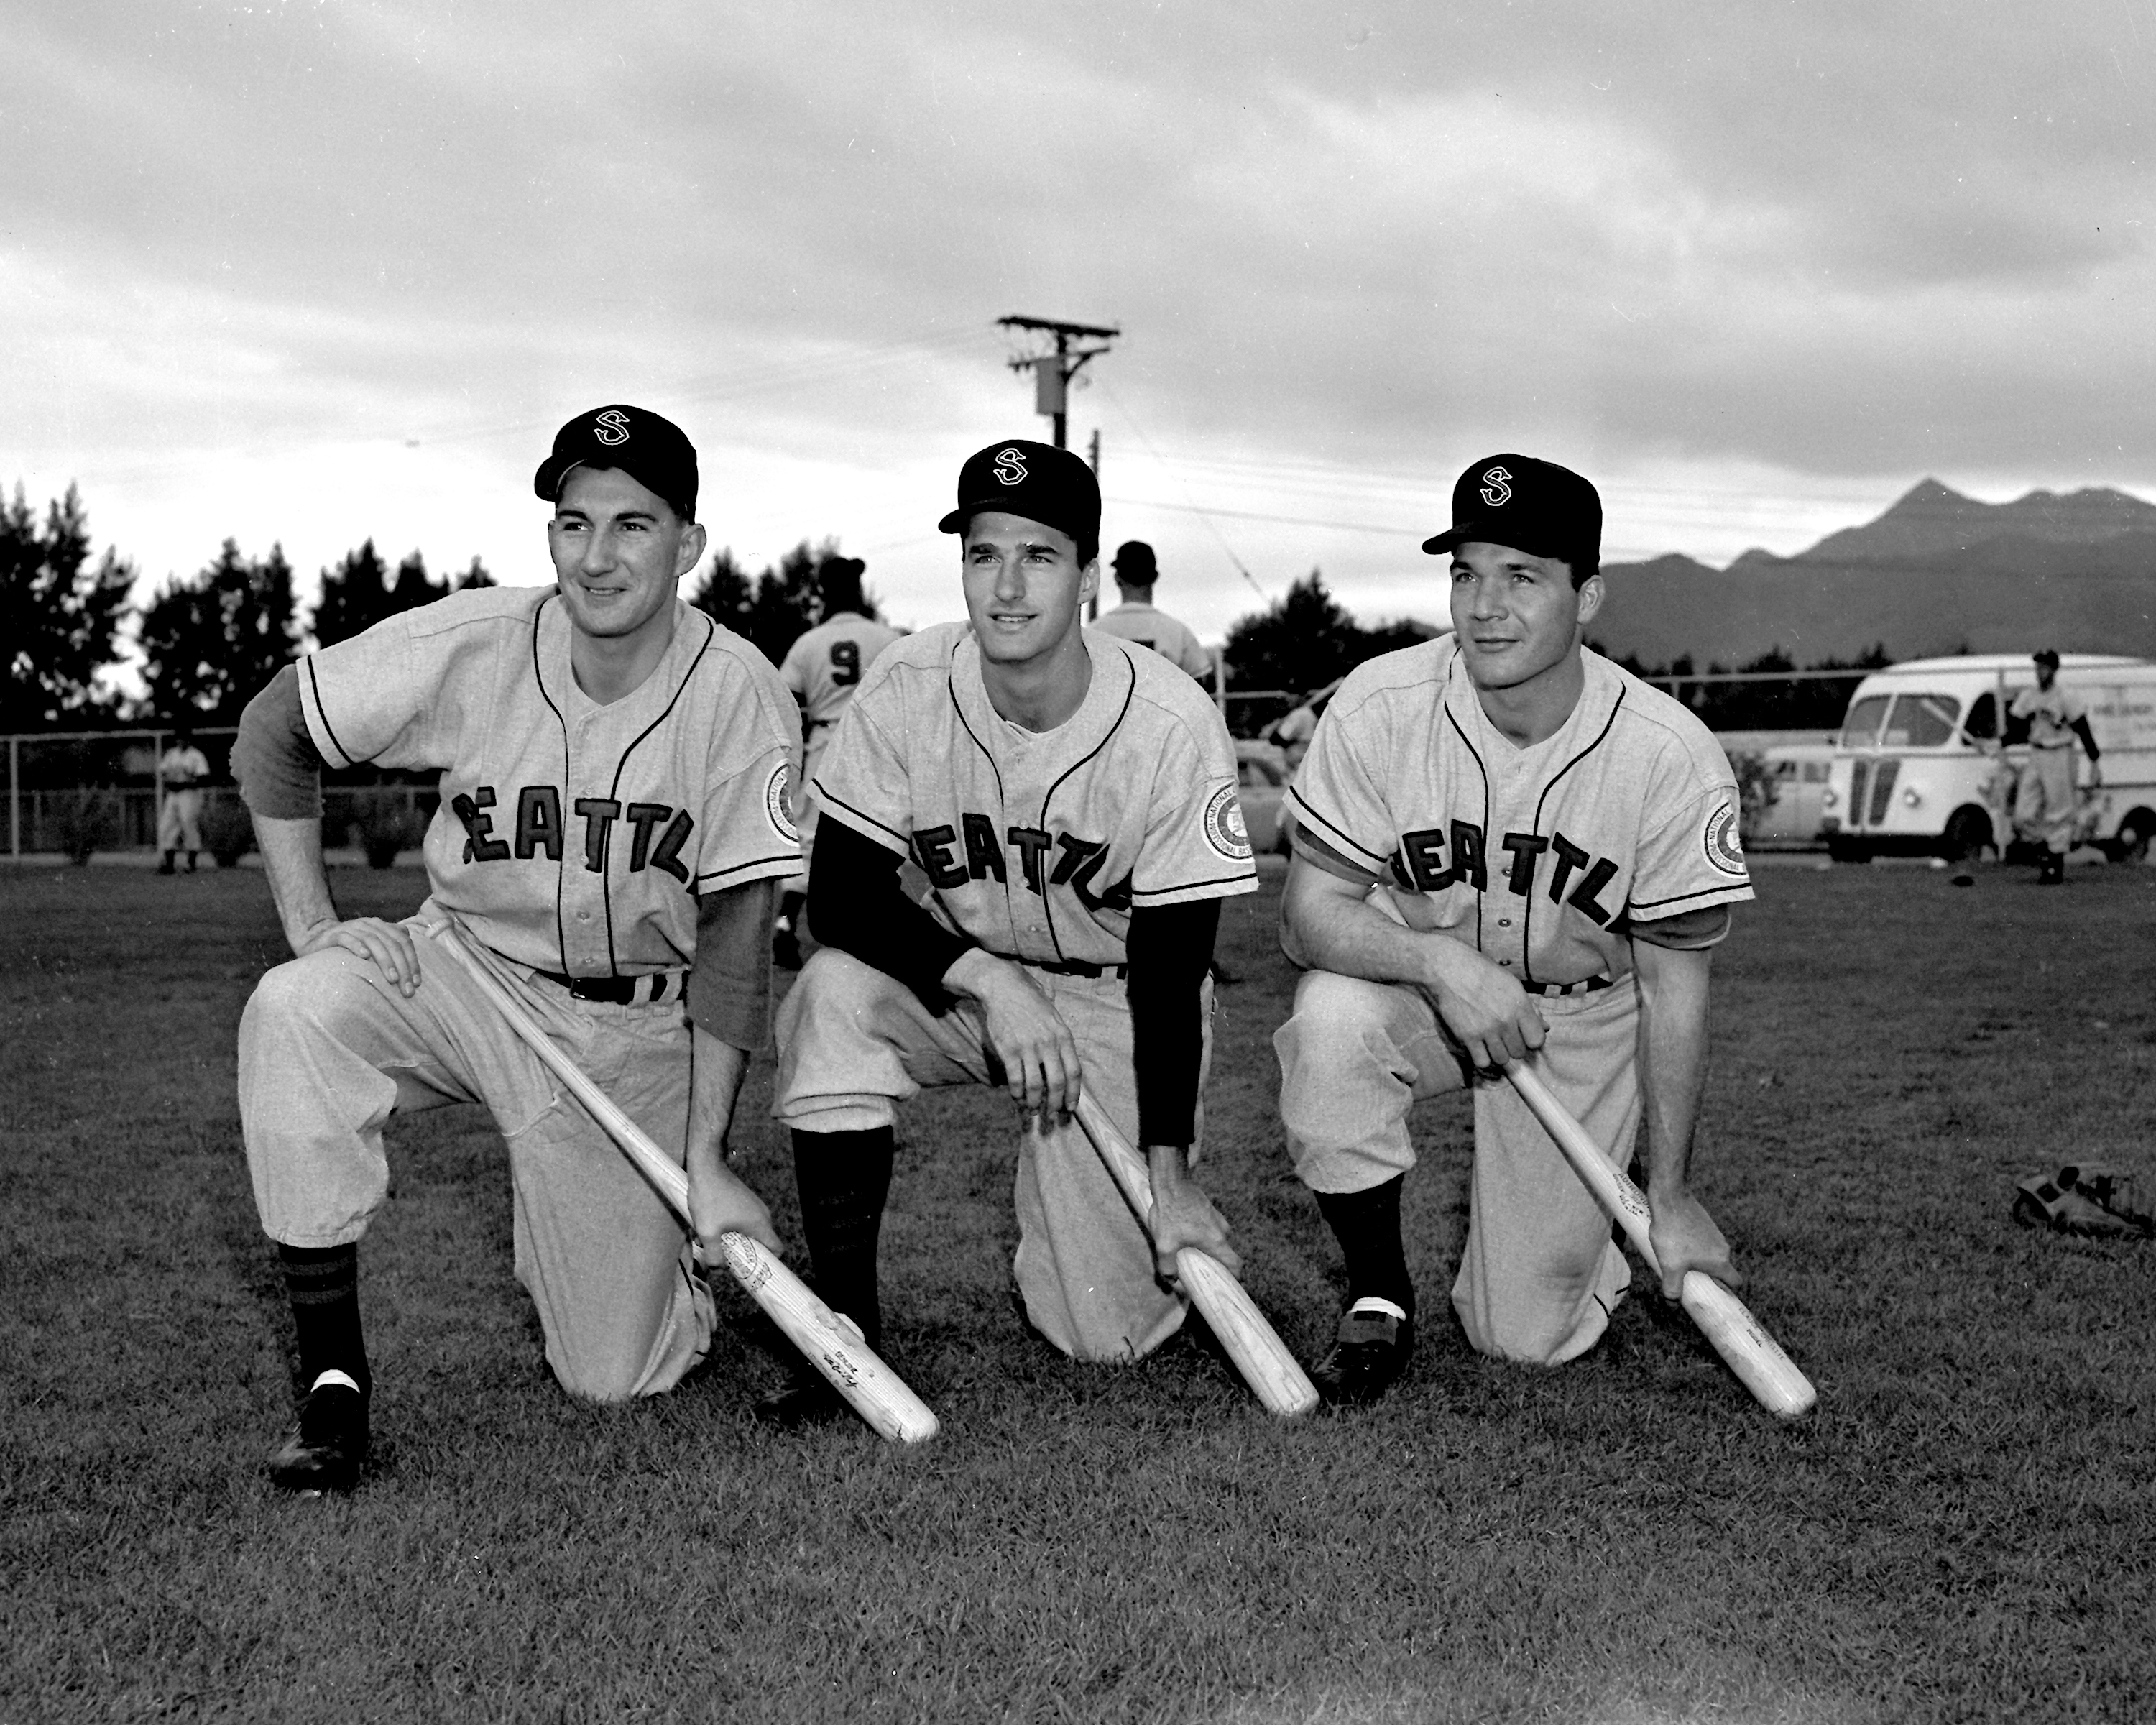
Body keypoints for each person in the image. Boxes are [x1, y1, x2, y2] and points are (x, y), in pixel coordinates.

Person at [231, 405, 800, 1493]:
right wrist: (312, 927)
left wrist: (712, 1153)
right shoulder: (479, 643)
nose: (597, 556)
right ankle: (333, 1385)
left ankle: (673, 1249)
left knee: (613, 1379)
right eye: (573, 522)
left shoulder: (742, 692)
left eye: (633, 526)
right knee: (296, 1007)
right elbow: (274, 730)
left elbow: (737, 936)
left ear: (689, 545)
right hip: (463, 974)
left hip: (632, 1022)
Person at [760, 439, 1258, 1424]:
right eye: (985, 554)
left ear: (1085, 571)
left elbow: (1171, 964)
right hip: (965, 985)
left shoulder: (1169, 721)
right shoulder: (910, 681)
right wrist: (986, 977)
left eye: (1037, 555)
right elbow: (842, 899)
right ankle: (846, 1330)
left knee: (1102, 1336)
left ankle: (1152, 1222)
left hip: (1116, 990)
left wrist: (1169, 1177)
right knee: (830, 998)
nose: (1008, 586)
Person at [1271, 453, 1754, 1403]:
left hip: (1582, 1014)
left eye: (1522, 576)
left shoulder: (1667, 755)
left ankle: (1592, 1242)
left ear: (1589, 597)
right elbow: (1306, 918)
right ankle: (1379, 1294)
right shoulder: (1379, 705)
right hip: (1429, 991)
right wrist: (1437, 964)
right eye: (1465, 573)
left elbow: (1671, 989)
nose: (1484, 604)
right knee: (1331, 1020)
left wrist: (1673, 1192)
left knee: (1522, 1340)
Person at [771, 555, 903, 967]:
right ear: (858, 590)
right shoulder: (886, 637)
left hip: (827, 742)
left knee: (807, 840)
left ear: (826, 593)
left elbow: (784, 699)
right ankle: (886, 935)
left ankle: (785, 928)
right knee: (885, 836)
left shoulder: (810, 642)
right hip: (876, 744)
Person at [2009, 649, 2101, 884]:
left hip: (2060, 753)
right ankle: (2045, 849)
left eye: (2045, 667)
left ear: (2054, 670)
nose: (2040, 672)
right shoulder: (2029, 696)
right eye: (2038, 667)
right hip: (2037, 754)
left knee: (2059, 812)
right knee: (2023, 814)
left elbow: (2082, 727)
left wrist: (2094, 760)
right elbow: (2017, 730)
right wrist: (1997, 742)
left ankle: (2053, 867)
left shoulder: (2065, 696)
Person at [1089, 540, 1214, 681]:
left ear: (1117, 579)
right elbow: (1199, 692)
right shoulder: (1179, 633)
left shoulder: (1094, 632)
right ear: (1155, 577)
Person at [156, 729, 211, 873]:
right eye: (178, 739)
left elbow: (203, 778)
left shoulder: (196, 756)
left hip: (190, 794)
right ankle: (169, 865)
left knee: (188, 824)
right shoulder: (172, 754)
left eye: (183, 739)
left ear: (189, 740)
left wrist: (184, 783)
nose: (180, 741)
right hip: (174, 794)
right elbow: (163, 771)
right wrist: (171, 780)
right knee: (166, 826)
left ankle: (191, 864)